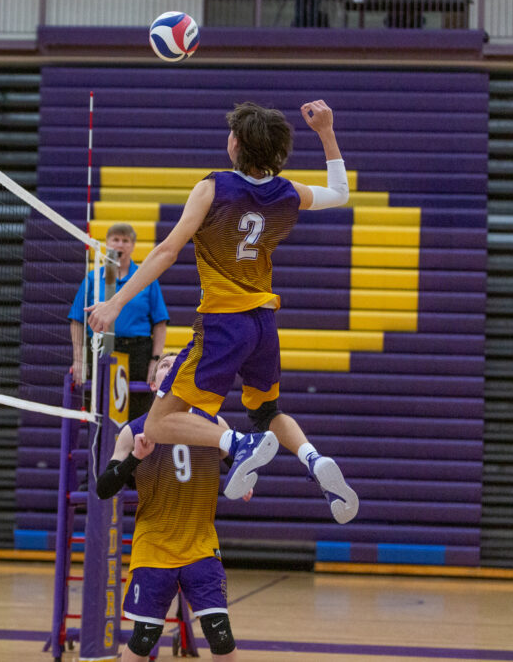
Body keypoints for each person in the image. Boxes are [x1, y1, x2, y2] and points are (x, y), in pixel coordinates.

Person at [88, 100, 359, 524]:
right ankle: (313, 457)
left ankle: (238, 444)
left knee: (156, 425)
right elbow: (341, 193)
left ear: (235, 144)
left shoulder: (213, 187)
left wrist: (115, 302)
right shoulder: (287, 192)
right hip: (263, 323)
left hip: (223, 324)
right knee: (266, 412)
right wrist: (326, 131)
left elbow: (167, 250)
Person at [96, 353, 246, 661]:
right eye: (164, 364)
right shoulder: (134, 431)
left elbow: (242, 464)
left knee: (220, 636)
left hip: (200, 545)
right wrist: (135, 458)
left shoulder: (213, 424)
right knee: (144, 638)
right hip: (154, 546)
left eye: (178, 363)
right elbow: (103, 488)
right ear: (154, 384)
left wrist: (244, 479)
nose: (172, 366)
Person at [69, 222, 169, 418]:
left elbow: (160, 323)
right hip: (100, 348)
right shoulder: (92, 279)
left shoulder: (146, 279)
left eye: (125, 240)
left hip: (138, 353)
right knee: (99, 410)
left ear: (132, 246)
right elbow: (76, 321)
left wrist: (155, 361)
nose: (120, 244)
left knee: (137, 411)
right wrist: (79, 359)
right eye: (115, 239)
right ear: (107, 243)